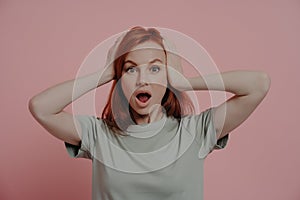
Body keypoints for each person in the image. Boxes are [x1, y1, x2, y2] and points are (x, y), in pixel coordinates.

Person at [28, 26, 271, 200]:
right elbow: (41, 107)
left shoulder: (196, 131)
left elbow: (258, 84)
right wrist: (105, 73)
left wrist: (186, 82)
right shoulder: (98, 134)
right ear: (119, 79)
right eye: (131, 69)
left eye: (155, 68)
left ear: (167, 77)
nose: (143, 79)